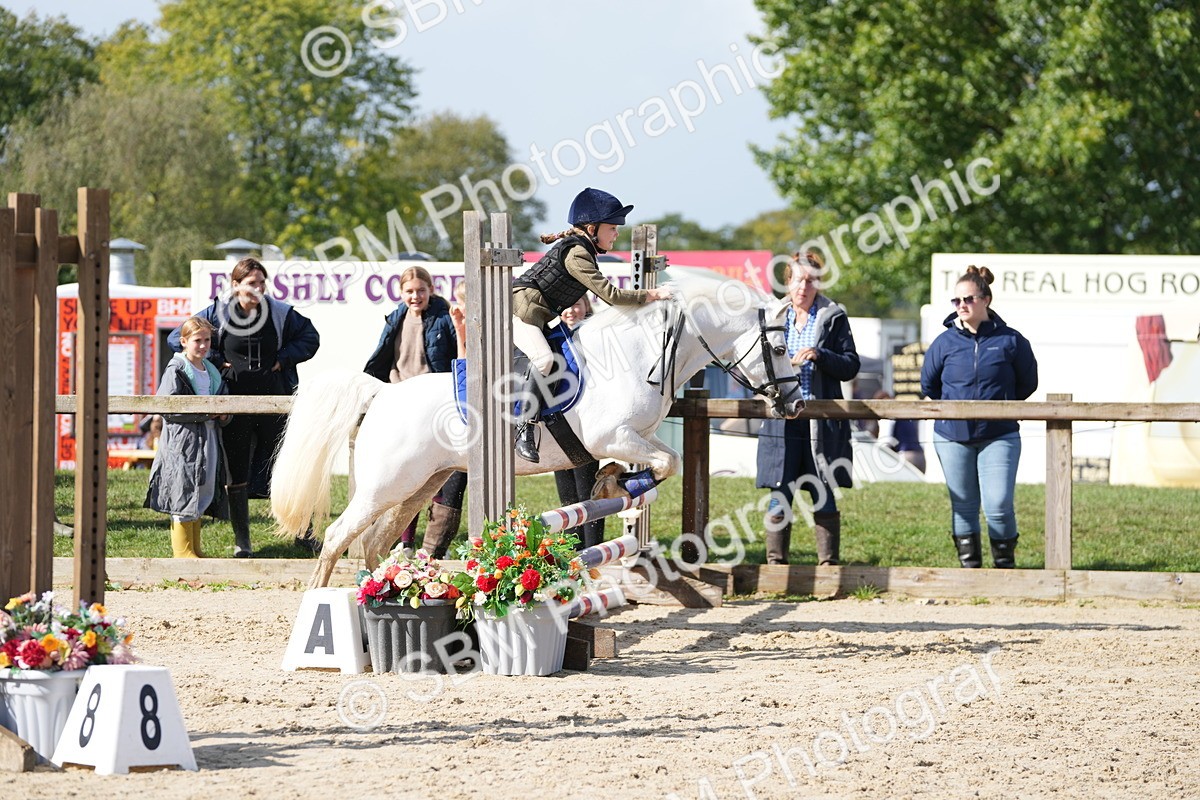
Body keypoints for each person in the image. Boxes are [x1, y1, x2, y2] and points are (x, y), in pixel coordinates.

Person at [169, 257, 320, 557]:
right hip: (234, 404)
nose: (259, 289)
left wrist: (283, 358)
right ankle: (243, 543)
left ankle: (304, 534)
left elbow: (311, 338)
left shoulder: (280, 312)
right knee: (236, 471)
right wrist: (213, 361)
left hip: (275, 402)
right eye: (252, 283)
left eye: (262, 283)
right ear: (235, 285)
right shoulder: (217, 312)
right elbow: (178, 338)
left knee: (287, 467)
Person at [511, 187, 671, 462]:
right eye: (612, 228)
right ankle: (524, 427)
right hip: (516, 314)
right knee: (544, 360)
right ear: (592, 227)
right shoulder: (576, 253)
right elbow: (610, 296)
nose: (616, 233)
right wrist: (652, 294)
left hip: (536, 317)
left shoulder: (582, 249)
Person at [921, 265, 1038, 569]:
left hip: (999, 435)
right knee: (964, 506)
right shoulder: (944, 343)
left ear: (986, 299)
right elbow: (929, 385)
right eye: (957, 301)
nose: (962, 305)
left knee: (998, 505)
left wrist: (998, 407)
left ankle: (1004, 568)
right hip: (951, 436)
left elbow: (1027, 384)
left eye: (969, 299)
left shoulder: (1011, 340)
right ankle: (970, 571)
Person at [756, 250, 860, 565]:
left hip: (821, 421)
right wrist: (782, 365)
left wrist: (820, 355)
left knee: (824, 492)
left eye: (811, 280)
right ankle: (776, 565)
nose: (804, 287)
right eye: (799, 280)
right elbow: (756, 366)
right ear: (788, 283)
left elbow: (851, 365)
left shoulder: (834, 316)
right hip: (782, 420)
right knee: (779, 495)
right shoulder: (774, 315)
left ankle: (828, 566)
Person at [364, 265, 464, 557]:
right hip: (400, 402)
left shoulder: (443, 318)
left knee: (437, 478)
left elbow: (452, 357)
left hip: (432, 403)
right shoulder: (396, 317)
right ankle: (404, 543)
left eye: (421, 290)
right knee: (401, 476)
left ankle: (434, 549)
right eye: (409, 291)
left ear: (430, 290)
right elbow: (383, 354)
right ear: (401, 293)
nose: (415, 296)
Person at [145, 317, 228, 558]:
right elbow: (168, 408)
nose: (203, 345)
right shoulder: (177, 369)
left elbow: (221, 401)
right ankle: (182, 552)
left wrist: (223, 416)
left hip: (208, 437)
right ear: (184, 341)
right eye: (197, 340)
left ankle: (195, 548)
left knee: (202, 487)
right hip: (183, 441)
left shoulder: (211, 371)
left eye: (207, 340)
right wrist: (205, 413)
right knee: (183, 488)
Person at [549, 296, 606, 549]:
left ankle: (593, 548)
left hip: (586, 425)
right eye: (566, 306)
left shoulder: (595, 335)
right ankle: (572, 551)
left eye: (576, 305)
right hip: (559, 423)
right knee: (568, 496)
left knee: (588, 491)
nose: (571, 310)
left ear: (586, 307)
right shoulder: (552, 335)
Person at [875, 389, 926, 473]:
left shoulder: (888, 412)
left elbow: (885, 441)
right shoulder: (903, 412)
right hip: (920, 455)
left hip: (905, 456)